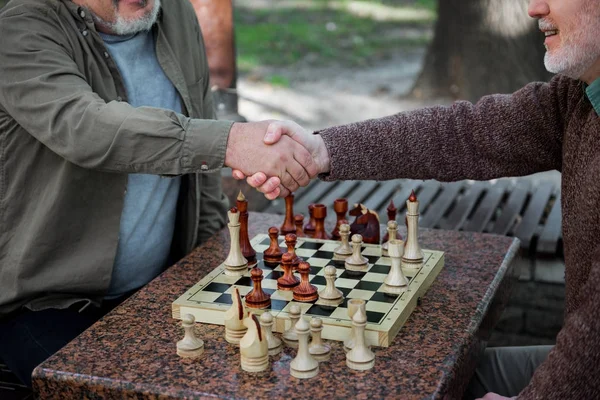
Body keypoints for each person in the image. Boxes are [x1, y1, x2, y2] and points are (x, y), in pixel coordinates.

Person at [237, 0, 600, 398]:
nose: (534, 8)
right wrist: (323, 150)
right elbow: (466, 134)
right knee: (431, 383)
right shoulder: (579, 95)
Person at [0, 0, 318, 387]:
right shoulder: (19, 26)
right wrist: (230, 142)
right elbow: (86, 129)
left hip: (159, 283)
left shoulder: (172, 12)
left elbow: (200, 140)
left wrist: (216, 255)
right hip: (42, 302)